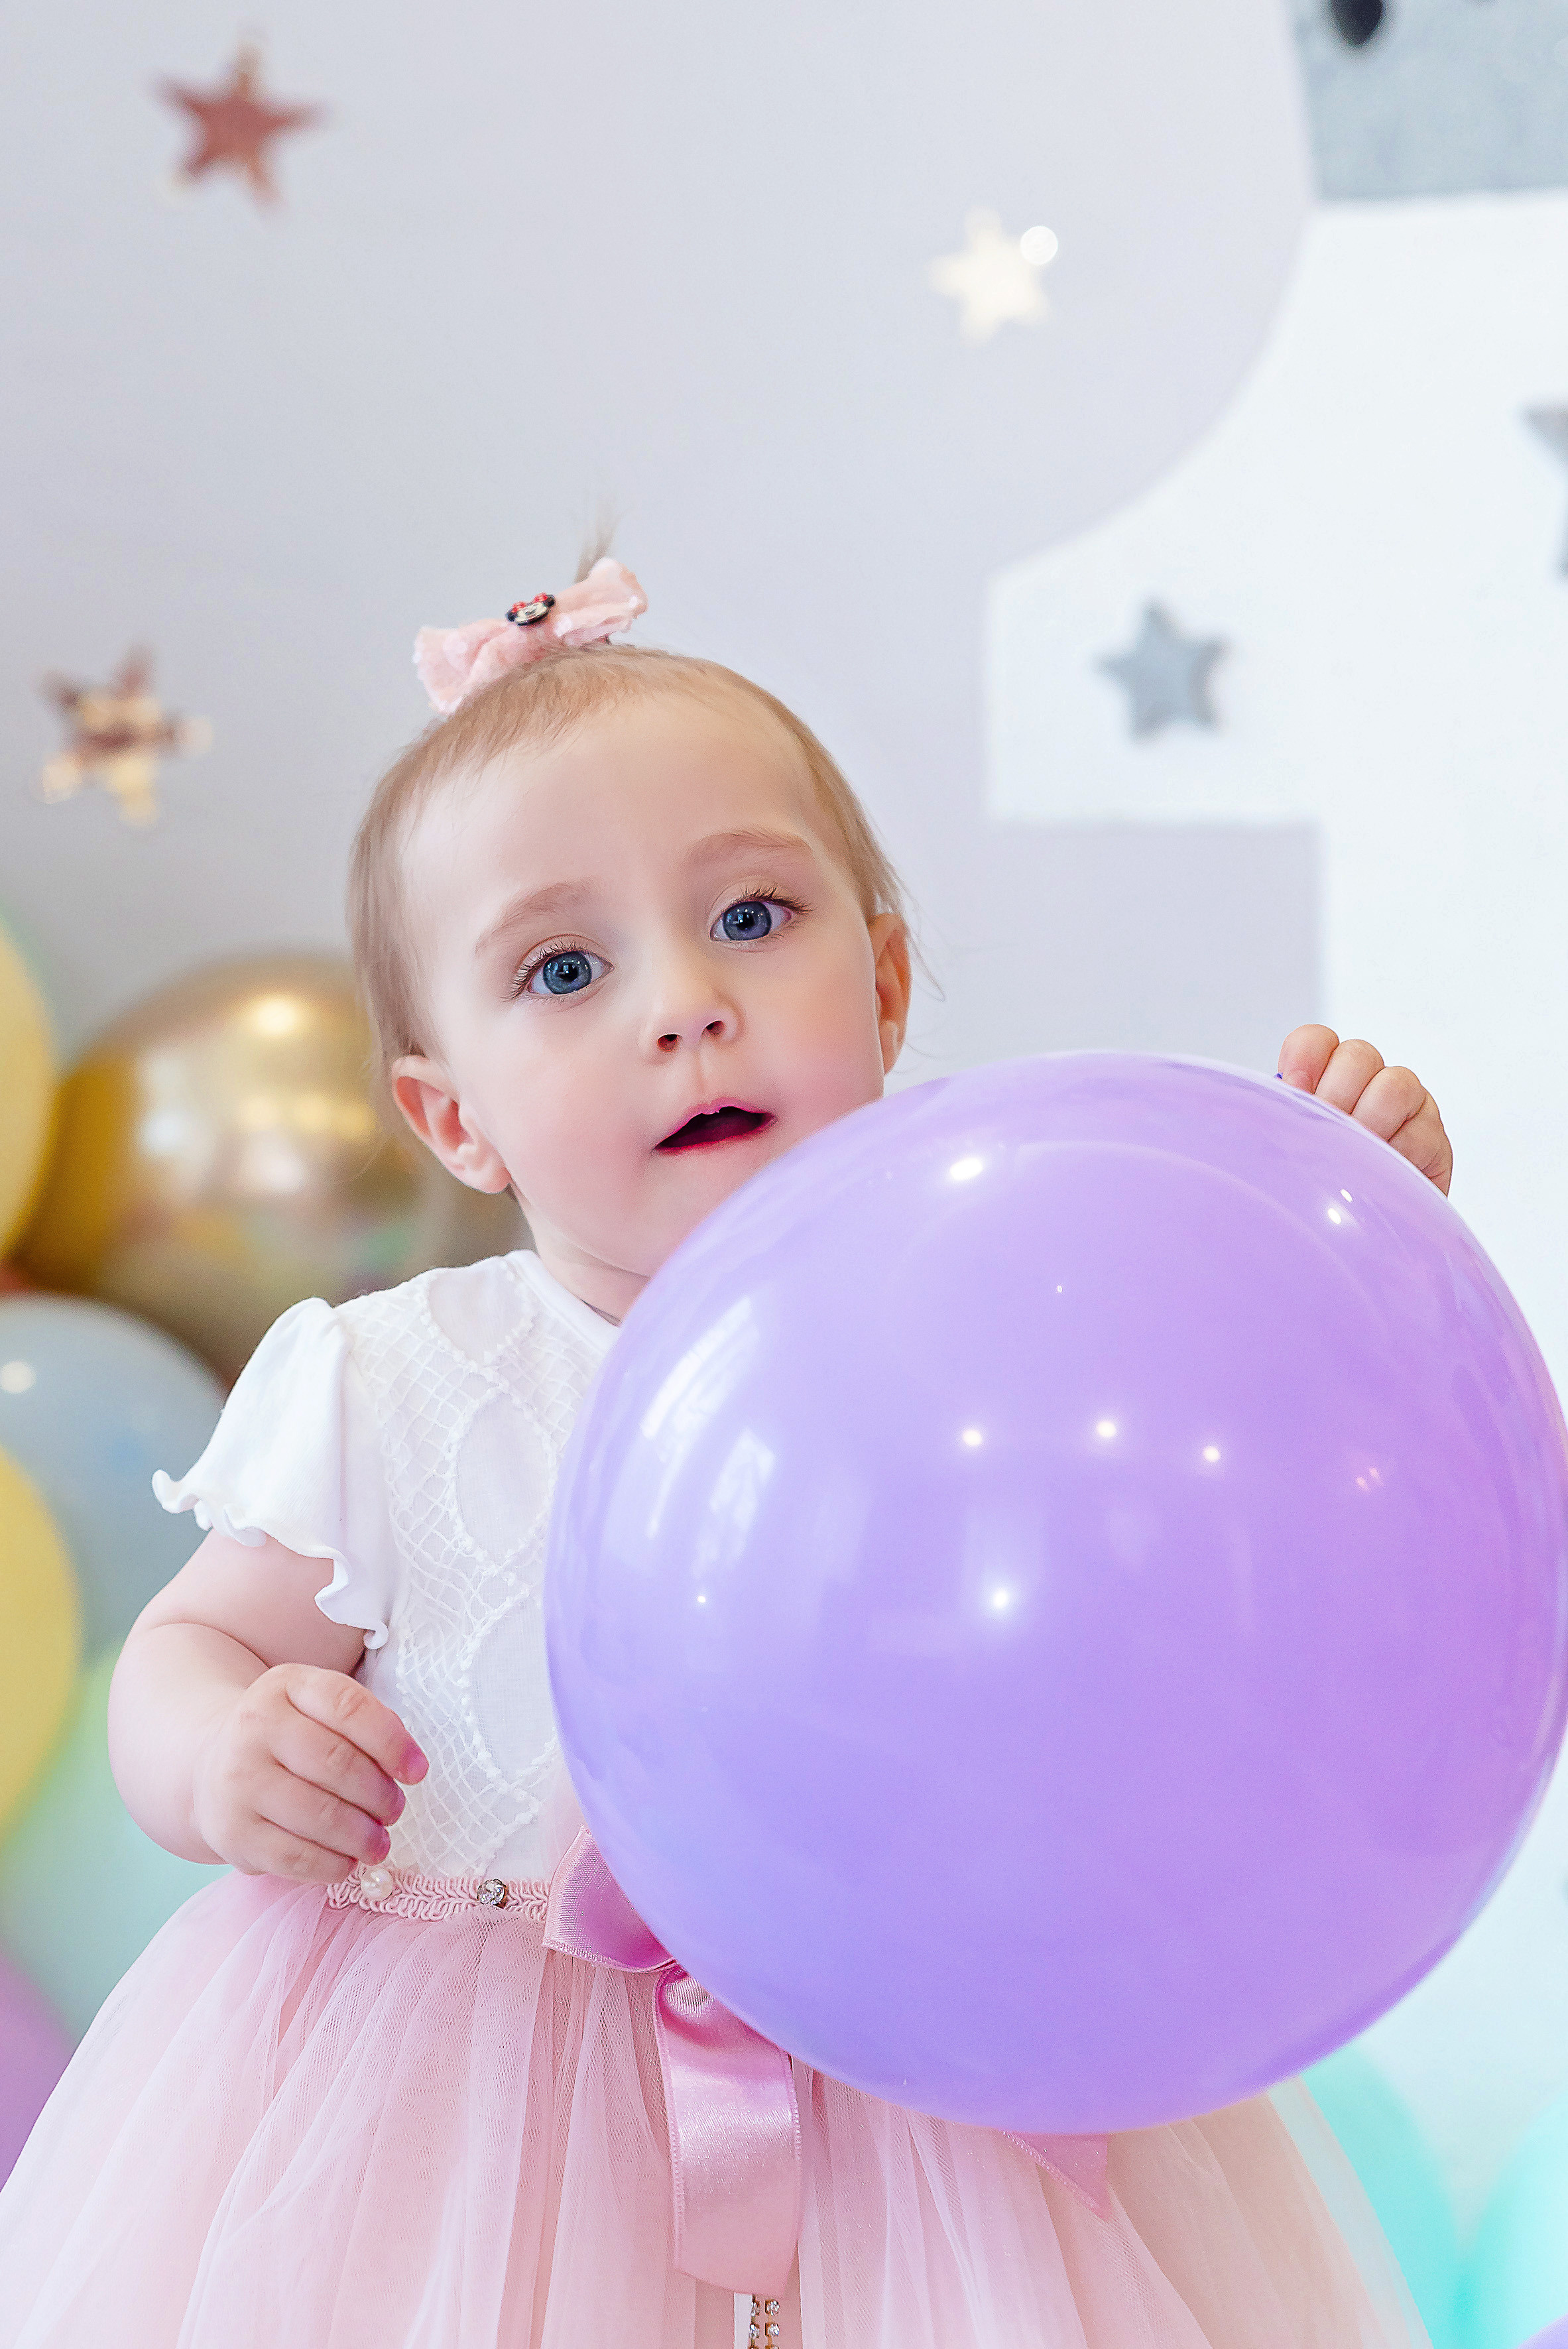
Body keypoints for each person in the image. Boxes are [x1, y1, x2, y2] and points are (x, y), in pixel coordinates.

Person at [0, 556, 1452, 2348]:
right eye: (564, 968)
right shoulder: (400, 1378)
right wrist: (222, 1749)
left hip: (934, 2072)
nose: (683, 1001)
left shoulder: (1006, 1321)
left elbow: (1205, 1464)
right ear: (452, 1115)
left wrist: (1323, 1217)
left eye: (753, 917)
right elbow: (189, 1647)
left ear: (888, 981)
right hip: (470, 2131)